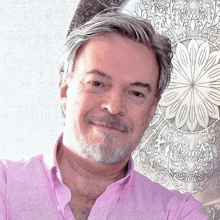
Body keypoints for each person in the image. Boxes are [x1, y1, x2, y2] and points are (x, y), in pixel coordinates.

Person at [0, 12, 208, 220]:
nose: (114, 106)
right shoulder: (4, 185)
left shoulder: (178, 213)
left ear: (152, 109)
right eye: (97, 84)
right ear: (65, 89)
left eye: (136, 93)